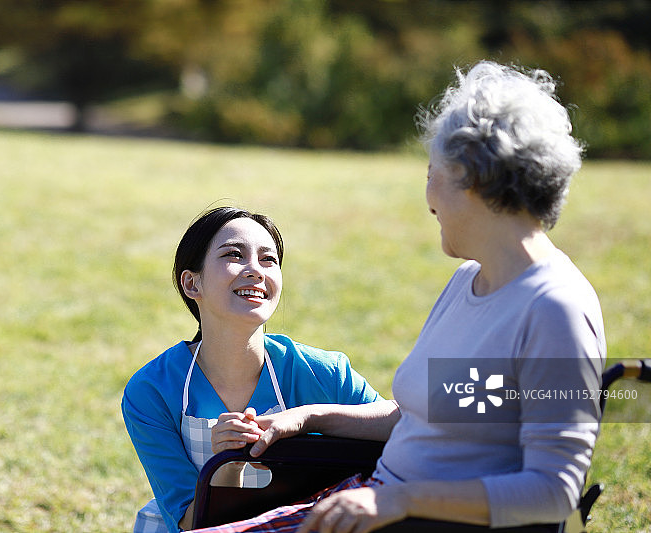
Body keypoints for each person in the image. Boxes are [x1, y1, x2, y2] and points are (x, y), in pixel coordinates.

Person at [187, 61, 606, 532]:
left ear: (476, 182)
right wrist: (305, 417)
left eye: (433, 173)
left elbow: (553, 492)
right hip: (377, 498)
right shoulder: (470, 281)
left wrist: (402, 501)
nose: (427, 197)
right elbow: (423, 415)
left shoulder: (555, 309)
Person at [121, 206, 400, 533]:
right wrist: (226, 467)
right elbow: (186, 520)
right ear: (191, 284)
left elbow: (405, 425)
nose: (255, 270)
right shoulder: (152, 390)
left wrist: (311, 416)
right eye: (234, 255)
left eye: (269, 260)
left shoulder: (323, 372)